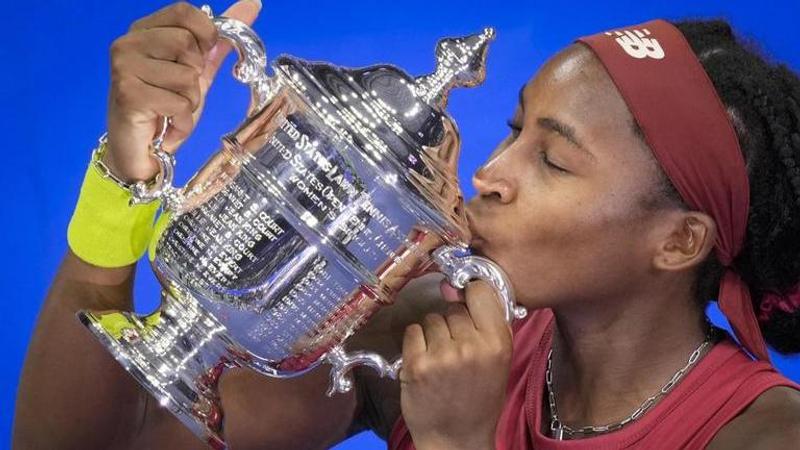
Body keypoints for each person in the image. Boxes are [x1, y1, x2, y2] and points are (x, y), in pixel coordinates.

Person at [12, 1, 800, 449]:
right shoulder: (416, 328)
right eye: (513, 130)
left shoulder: (764, 436)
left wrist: (457, 445)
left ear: (678, 240)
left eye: (554, 161)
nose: (489, 176)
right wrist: (124, 185)